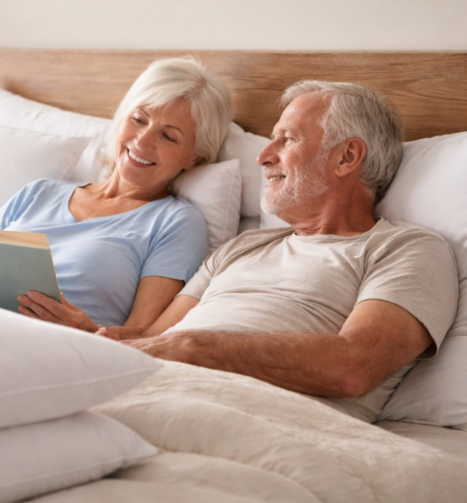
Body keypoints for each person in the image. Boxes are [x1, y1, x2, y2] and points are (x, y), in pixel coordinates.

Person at [36, 80, 458, 422]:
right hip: (156, 392)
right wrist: (91, 333)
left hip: (254, 417)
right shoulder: (243, 247)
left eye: (286, 140)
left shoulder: (406, 249)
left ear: (347, 156)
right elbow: (153, 338)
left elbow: (353, 366)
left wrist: (196, 350)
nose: (263, 156)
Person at [0, 57, 234, 331]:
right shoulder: (39, 192)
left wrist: (90, 331)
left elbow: (145, 333)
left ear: (195, 158)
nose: (142, 141)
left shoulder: (176, 222)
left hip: (49, 347)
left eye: (168, 136)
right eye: (138, 119)